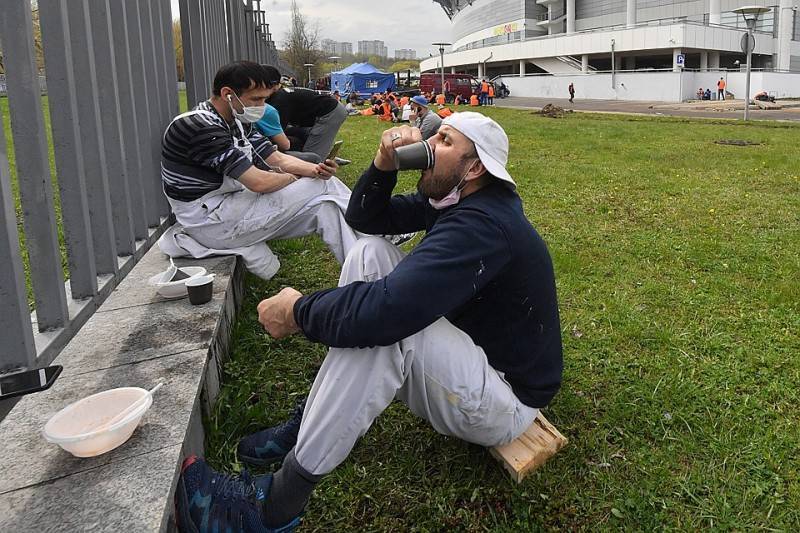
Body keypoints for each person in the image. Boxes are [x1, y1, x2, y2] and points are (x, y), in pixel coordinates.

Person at [175, 112, 563, 532]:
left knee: (390, 328)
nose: (430, 145)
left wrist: (298, 311)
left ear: (475, 168)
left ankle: (274, 507)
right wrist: (382, 164)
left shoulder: (483, 225)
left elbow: (386, 314)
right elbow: (363, 220)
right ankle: (312, 420)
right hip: (472, 363)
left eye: (446, 141)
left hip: (504, 403)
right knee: (369, 254)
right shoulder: (457, 198)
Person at [158, 61, 360, 279]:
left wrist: (315, 169)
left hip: (227, 211)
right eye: (256, 99)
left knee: (326, 209)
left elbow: (276, 157)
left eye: (264, 99)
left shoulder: (237, 122)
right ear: (227, 94)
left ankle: (364, 274)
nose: (262, 106)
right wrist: (295, 178)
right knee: (324, 185)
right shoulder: (200, 126)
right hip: (211, 222)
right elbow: (259, 183)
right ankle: (376, 224)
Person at [267, 80, 348, 160]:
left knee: (312, 158)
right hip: (331, 109)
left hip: (329, 112)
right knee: (315, 143)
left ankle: (325, 160)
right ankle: (327, 156)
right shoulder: (283, 93)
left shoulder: (278, 100)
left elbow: (278, 133)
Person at [253, 103, 322, 163]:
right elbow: (285, 145)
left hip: (256, 149)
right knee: (315, 158)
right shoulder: (266, 110)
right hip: (260, 154)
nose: (261, 104)